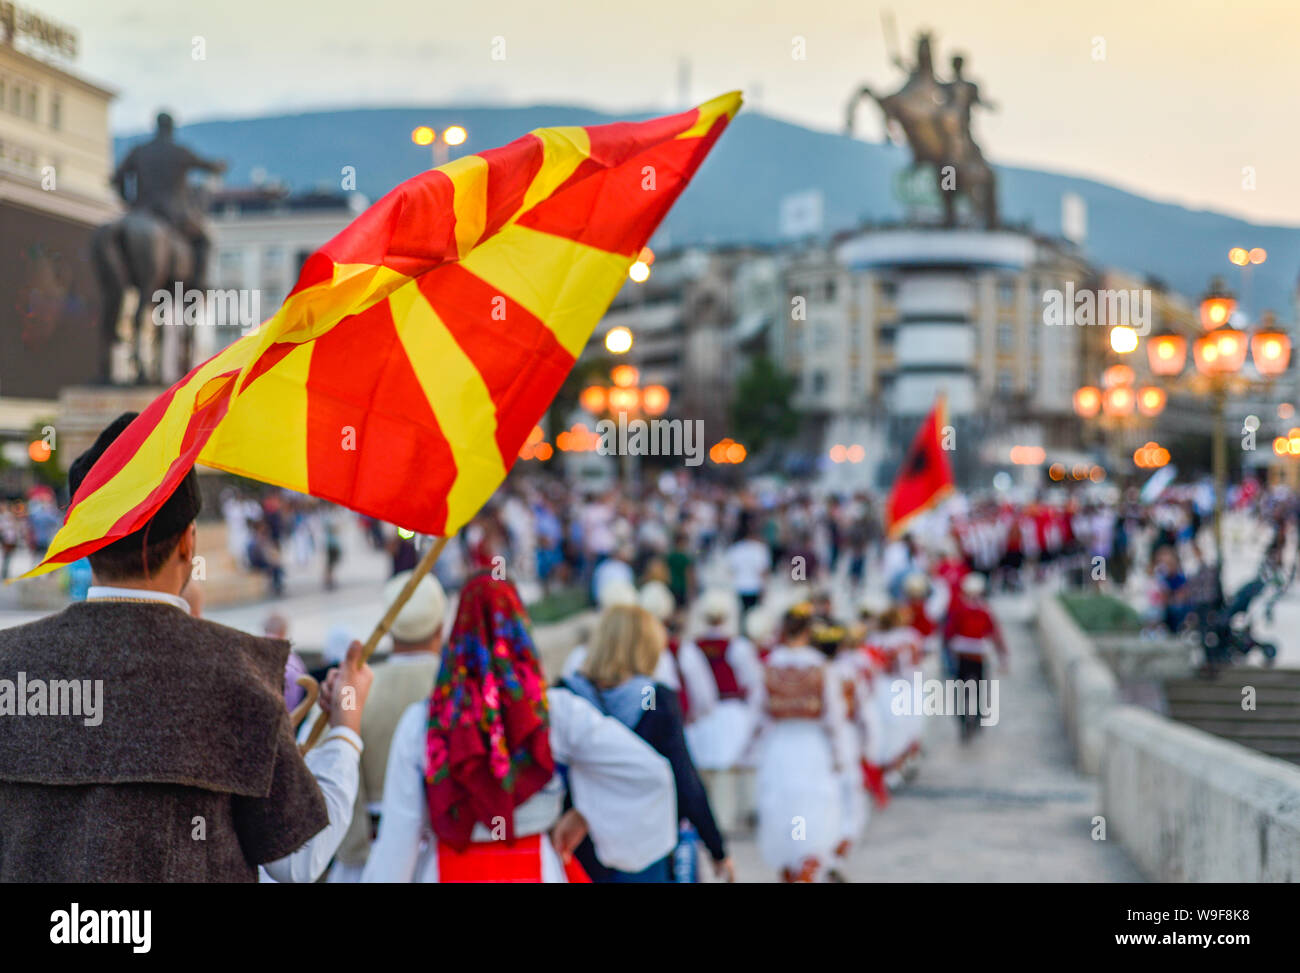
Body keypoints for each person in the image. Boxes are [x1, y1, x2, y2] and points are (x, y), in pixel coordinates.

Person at [0, 412, 371, 882]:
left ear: (85, 545)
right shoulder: (240, 672)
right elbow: (298, 856)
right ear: (187, 544)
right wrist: (344, 732)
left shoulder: (10, 667)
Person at [362, 573, 677, 883]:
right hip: (536, 868)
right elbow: (649, 772)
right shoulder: (557, 712)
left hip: (448, 869)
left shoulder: (422, 722)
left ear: (457, 634)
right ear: (520, 630)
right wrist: (586, 814)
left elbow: (399, 835)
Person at [561, 604, 733, 883]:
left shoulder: (567, 695)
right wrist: (717, 848)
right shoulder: (655, 700)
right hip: (644, 843)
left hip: (580, 842)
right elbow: (684, 780)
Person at [330, 570, 447, 881]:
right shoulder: (459, 690)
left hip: (367, 856)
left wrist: (354, 849)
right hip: (443, 853)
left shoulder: (355, 690)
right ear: (441, 627)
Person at [751, 602, 853, 882]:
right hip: (812, 748)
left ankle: (790, 869)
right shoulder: (820, 666)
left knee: (783, 812)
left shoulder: (770, 665)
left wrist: (747, 750)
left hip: (780, 748)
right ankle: (807, 868)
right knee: (812, 812)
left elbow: (758, 715)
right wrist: (840, 755)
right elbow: (835, 717)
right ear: (809, 632)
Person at [681, 588, 763, 833]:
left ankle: (713, 817)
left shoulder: (693, 647)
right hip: (732, 709)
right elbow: (753, 680)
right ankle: (740, 811)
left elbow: (697, 685)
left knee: (710, 767)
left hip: (708, 712)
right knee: (736, 764)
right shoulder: (737, 646)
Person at [943, 573, 1008, 741]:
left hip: (970, 657)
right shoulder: (976, 610)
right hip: (971, 657)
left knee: (969, 690)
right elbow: (995, 634)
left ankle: (970, 719)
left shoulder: (970, 610)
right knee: (972, 690)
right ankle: (971, 719)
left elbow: (949, 634)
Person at [726, 523, 770, 612]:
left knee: (742, 615)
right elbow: (763, 571)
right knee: (755, 617)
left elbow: (731, 570)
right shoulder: (760, 548)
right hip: (755, 587)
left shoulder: (735, 548)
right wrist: (764, 590)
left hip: (739, 586)